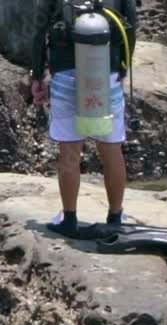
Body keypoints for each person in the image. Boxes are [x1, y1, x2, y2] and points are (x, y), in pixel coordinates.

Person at [30, 0, 138, 237]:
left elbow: (39, 31)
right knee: (111, 148)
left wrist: (37, 76)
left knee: (70, 148)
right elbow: (130, 27)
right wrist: (122, 70)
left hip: (65, 77)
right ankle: (116, 216)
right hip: (105, 74)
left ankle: (69, 219)